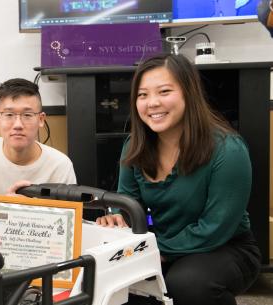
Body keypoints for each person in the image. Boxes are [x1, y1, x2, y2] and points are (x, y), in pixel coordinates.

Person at [96, 54, 261, 305]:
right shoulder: (134, 145)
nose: (152, 103)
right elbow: (128, 203)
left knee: (187, 284)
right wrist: (116, 216)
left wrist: (154, 252)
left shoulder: (228, 149)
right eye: (142, 95)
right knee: (112, 280)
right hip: (162, 245)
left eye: (164, 91)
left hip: (225, 247)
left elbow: (215, 228)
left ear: (188, 93)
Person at [0, 78, 76, 221]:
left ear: (41, 119)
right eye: (9, 115)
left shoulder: (60, 165)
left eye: (27, 115)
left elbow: (70, 220)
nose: (18, 124)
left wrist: (28, 209)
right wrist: (3, 206)